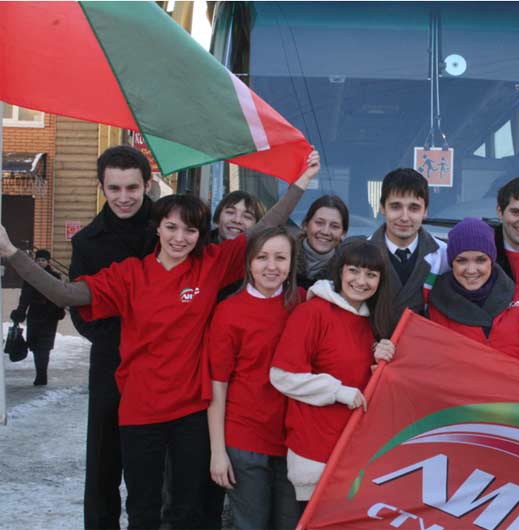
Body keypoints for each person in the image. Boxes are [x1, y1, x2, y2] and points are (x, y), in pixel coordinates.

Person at [0, 151, 319, 529]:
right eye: (171, 228)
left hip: (191, 413)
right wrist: (12, 253)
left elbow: (264, 227)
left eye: (190, 231)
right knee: (143, 511)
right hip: (141, 411)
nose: (180, 238)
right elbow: (65, 294)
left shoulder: (211, 264)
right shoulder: (129, 275)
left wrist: (301, 181)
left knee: (185, 510)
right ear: (158, 230)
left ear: (200, 235)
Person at [68, 145, 157, 530]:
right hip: (112, 364)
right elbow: (81, 314)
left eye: (132, 188)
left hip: (168, 363)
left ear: (147, 185)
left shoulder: (169, 226)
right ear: (101, 187)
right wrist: (129, 338)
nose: (124, 197)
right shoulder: (87, 242)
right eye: (114, 188)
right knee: (104, 465)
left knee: (156, 468)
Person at [270, 238, 395, 504]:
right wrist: (338, 392)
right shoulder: (312, 312)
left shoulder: (374, 322)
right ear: (339, 271)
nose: (361, 281)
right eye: (354, 271)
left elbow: (370, 393)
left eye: (371, 275)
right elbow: (282, 376)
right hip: (315, 450)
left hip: (355, 452)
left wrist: (382, 367)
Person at [206, 227, 304, 530]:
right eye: (262, 257)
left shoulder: (303, 303)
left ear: (292, 263)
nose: (271, 266)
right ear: (249, 262)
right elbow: (217, 385)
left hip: (294, 440)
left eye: (280, 258)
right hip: (245, 439)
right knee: (251, 525)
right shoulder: (229, 311)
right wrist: (217, 451)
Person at [428, 218, 519, 371]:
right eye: (461, 261)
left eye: (480, 260)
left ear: (491, 260)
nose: (471, 270)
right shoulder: (435, 303)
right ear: (451, 263)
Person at [369, 168, 448, 329]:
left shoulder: (444, 255)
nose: (404, 217)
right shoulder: (360, 253)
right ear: (382, 208)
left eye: (414, 208)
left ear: (425, 211)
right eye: (396, 206)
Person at [10, 249, 66, 386]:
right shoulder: (30, 277)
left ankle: (42, 376)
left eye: (43, 260)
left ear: (48, 262)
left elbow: (60, 295)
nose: (40, 262)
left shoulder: (54, 276)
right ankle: (40, 374)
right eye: (38, 260)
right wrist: (20, 312)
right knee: (35, 346)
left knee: (44, 346)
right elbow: (25, 298)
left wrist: (59, 310)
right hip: (34, 315)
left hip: (49, 316)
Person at [211, 190, 267, 301]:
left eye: (247, 217)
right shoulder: (197, 249)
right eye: (230, 212)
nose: (237, 220)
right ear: (218, 217)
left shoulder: (262, 262)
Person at [296, 195, 349, 289]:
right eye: (319, 223)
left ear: (343, 234)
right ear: (305, 225)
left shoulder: (346, 271)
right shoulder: (284, 257)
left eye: (334, 226)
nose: (325, 232)